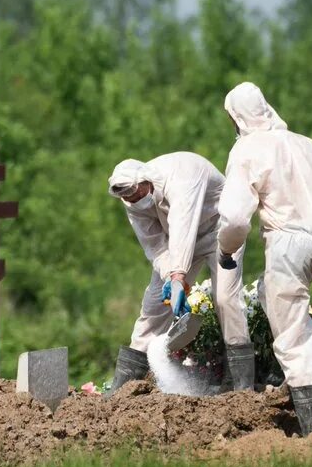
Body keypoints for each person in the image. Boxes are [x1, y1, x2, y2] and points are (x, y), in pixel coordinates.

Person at [216, 82, 312, 436]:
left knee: (294, 335)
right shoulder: (305, 144)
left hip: (289, 247)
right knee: (270, 295)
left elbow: (234, 219)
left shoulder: (247, 149)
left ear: (236, 117)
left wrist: (225, 249)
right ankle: (292, 379)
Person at [106, 152, 251, 393]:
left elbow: (184, 223)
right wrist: (168, 276)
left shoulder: (182, 175)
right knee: (153, 306)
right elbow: (153, 244)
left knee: (226, 300)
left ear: (146, 182)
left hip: (219, 233)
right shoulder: (130, 200)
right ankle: (125, 387)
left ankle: (241, 386)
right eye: (129, 198)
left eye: (137, 194)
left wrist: (177, 277)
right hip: (179, 245)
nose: (134, 200)